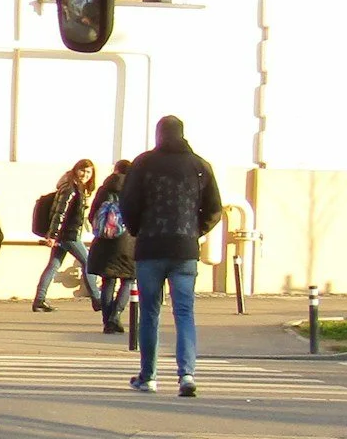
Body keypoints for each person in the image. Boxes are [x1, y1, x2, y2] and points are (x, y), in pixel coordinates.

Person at [117, 115, 223, 396]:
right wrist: (195, 231)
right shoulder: (200, 166)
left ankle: (148, 376)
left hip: (150, 248)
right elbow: (214, 209)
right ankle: (187, 375)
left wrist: (138, 228)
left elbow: (127, 203)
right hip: (184, 249)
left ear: (158, 135)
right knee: (185, 313)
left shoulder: (143, 163)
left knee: (150, 313)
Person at [30, 158, 98, 313]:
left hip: (65, 234)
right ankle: (97, 298)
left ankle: (39, 300)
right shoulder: (70, 189)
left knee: (53, 265)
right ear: (76, 170)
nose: (85, 175)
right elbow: (60, 213)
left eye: (88, 172)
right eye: (82, 170)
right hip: (68, 235)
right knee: (89, 262)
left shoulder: (76, 188)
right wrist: (53, 235)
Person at [85, 158, 136, 334]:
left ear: (115, 170)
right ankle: (116, 316)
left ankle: (107, 321)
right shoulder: (134, 189)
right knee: (128, 280)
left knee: (108, 281)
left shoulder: (103, 189)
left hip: (104, 241)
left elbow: (92, 215)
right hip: (128, 242)